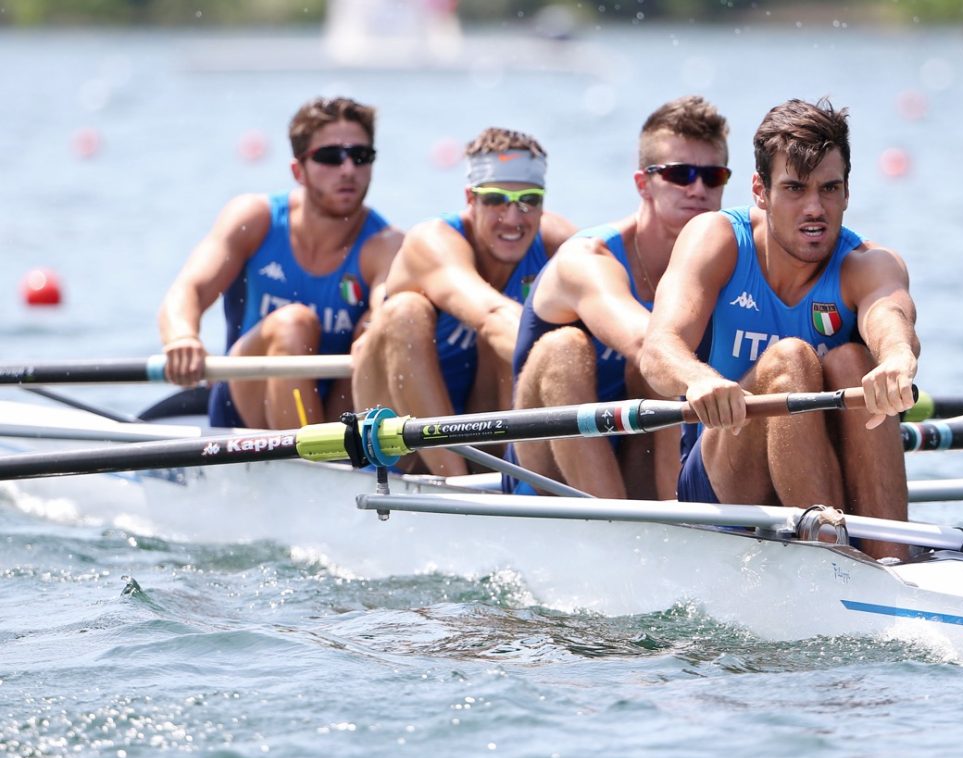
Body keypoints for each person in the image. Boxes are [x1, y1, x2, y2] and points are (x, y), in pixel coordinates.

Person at [640, 97, 919, 560]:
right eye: (794, 188)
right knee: (790, 359)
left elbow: (890, 316)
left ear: (847, 192)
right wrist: (700, 380)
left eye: (829, 189)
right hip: (722, 481)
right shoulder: (717, 239)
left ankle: (890, 560)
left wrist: (896, 358)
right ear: (760, 190)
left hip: (824, 467)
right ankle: (833, 559)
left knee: (855, 361)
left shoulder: (869, 263)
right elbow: (657, 349)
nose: (815, 208)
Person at [508, 96, 730, 500]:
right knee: (572, 347)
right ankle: (613, 520)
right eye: (680, 174)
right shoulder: (589, 258)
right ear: (643, 184)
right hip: (544, 470)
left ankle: (680, 517)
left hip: (636, 458)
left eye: (712, 176)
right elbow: (648, 344)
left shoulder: (725, 262)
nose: (698, 189)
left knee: (663, 371)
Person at [158, 96, 403, 429]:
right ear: (297, 170)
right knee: (293, 323)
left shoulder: (386, 244)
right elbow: (188, 289)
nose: (348, 170)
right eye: (330, 157)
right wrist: (182, 339)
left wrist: (378, 329)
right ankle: (317, 454)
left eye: (361, 156)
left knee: (377, 329)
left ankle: (327, 450)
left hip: (338, 411)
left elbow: (387, 304)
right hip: (244, 408)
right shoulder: (255, 219)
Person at [352, 127, 576, 476]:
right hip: (396, 441)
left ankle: (517, 478)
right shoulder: (431, 240)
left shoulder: (559, 243)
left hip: (479, 432)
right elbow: (490, 313)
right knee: (406, 311)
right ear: (470, 199)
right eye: (495, 199)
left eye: (529, 200)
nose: (513, 218)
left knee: (510, 338)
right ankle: (457, 485)